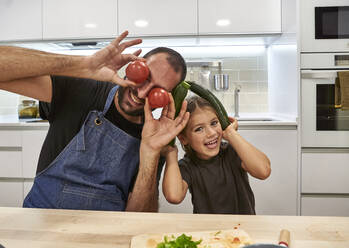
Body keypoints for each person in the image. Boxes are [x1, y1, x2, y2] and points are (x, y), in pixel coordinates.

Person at [0, 31, 189, 212]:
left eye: (157, 91)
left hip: (103, 235)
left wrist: (150, 153)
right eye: (144, 76)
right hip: (40, 224)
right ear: (134, 65)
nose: (140, 93)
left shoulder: (154, 139)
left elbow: (138, 220)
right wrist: (83, 65)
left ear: (166, 99)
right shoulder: (81, 89)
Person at [162, 95, 271, 214]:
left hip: (242, 228)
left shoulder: (232, 152)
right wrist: (171, 154)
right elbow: (174, 196)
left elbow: (263, 171)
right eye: (199, 129)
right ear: (183, 139)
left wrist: (232, 134)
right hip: (209, 231)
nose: (211, 133)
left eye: (214, 123)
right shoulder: (187, 166)